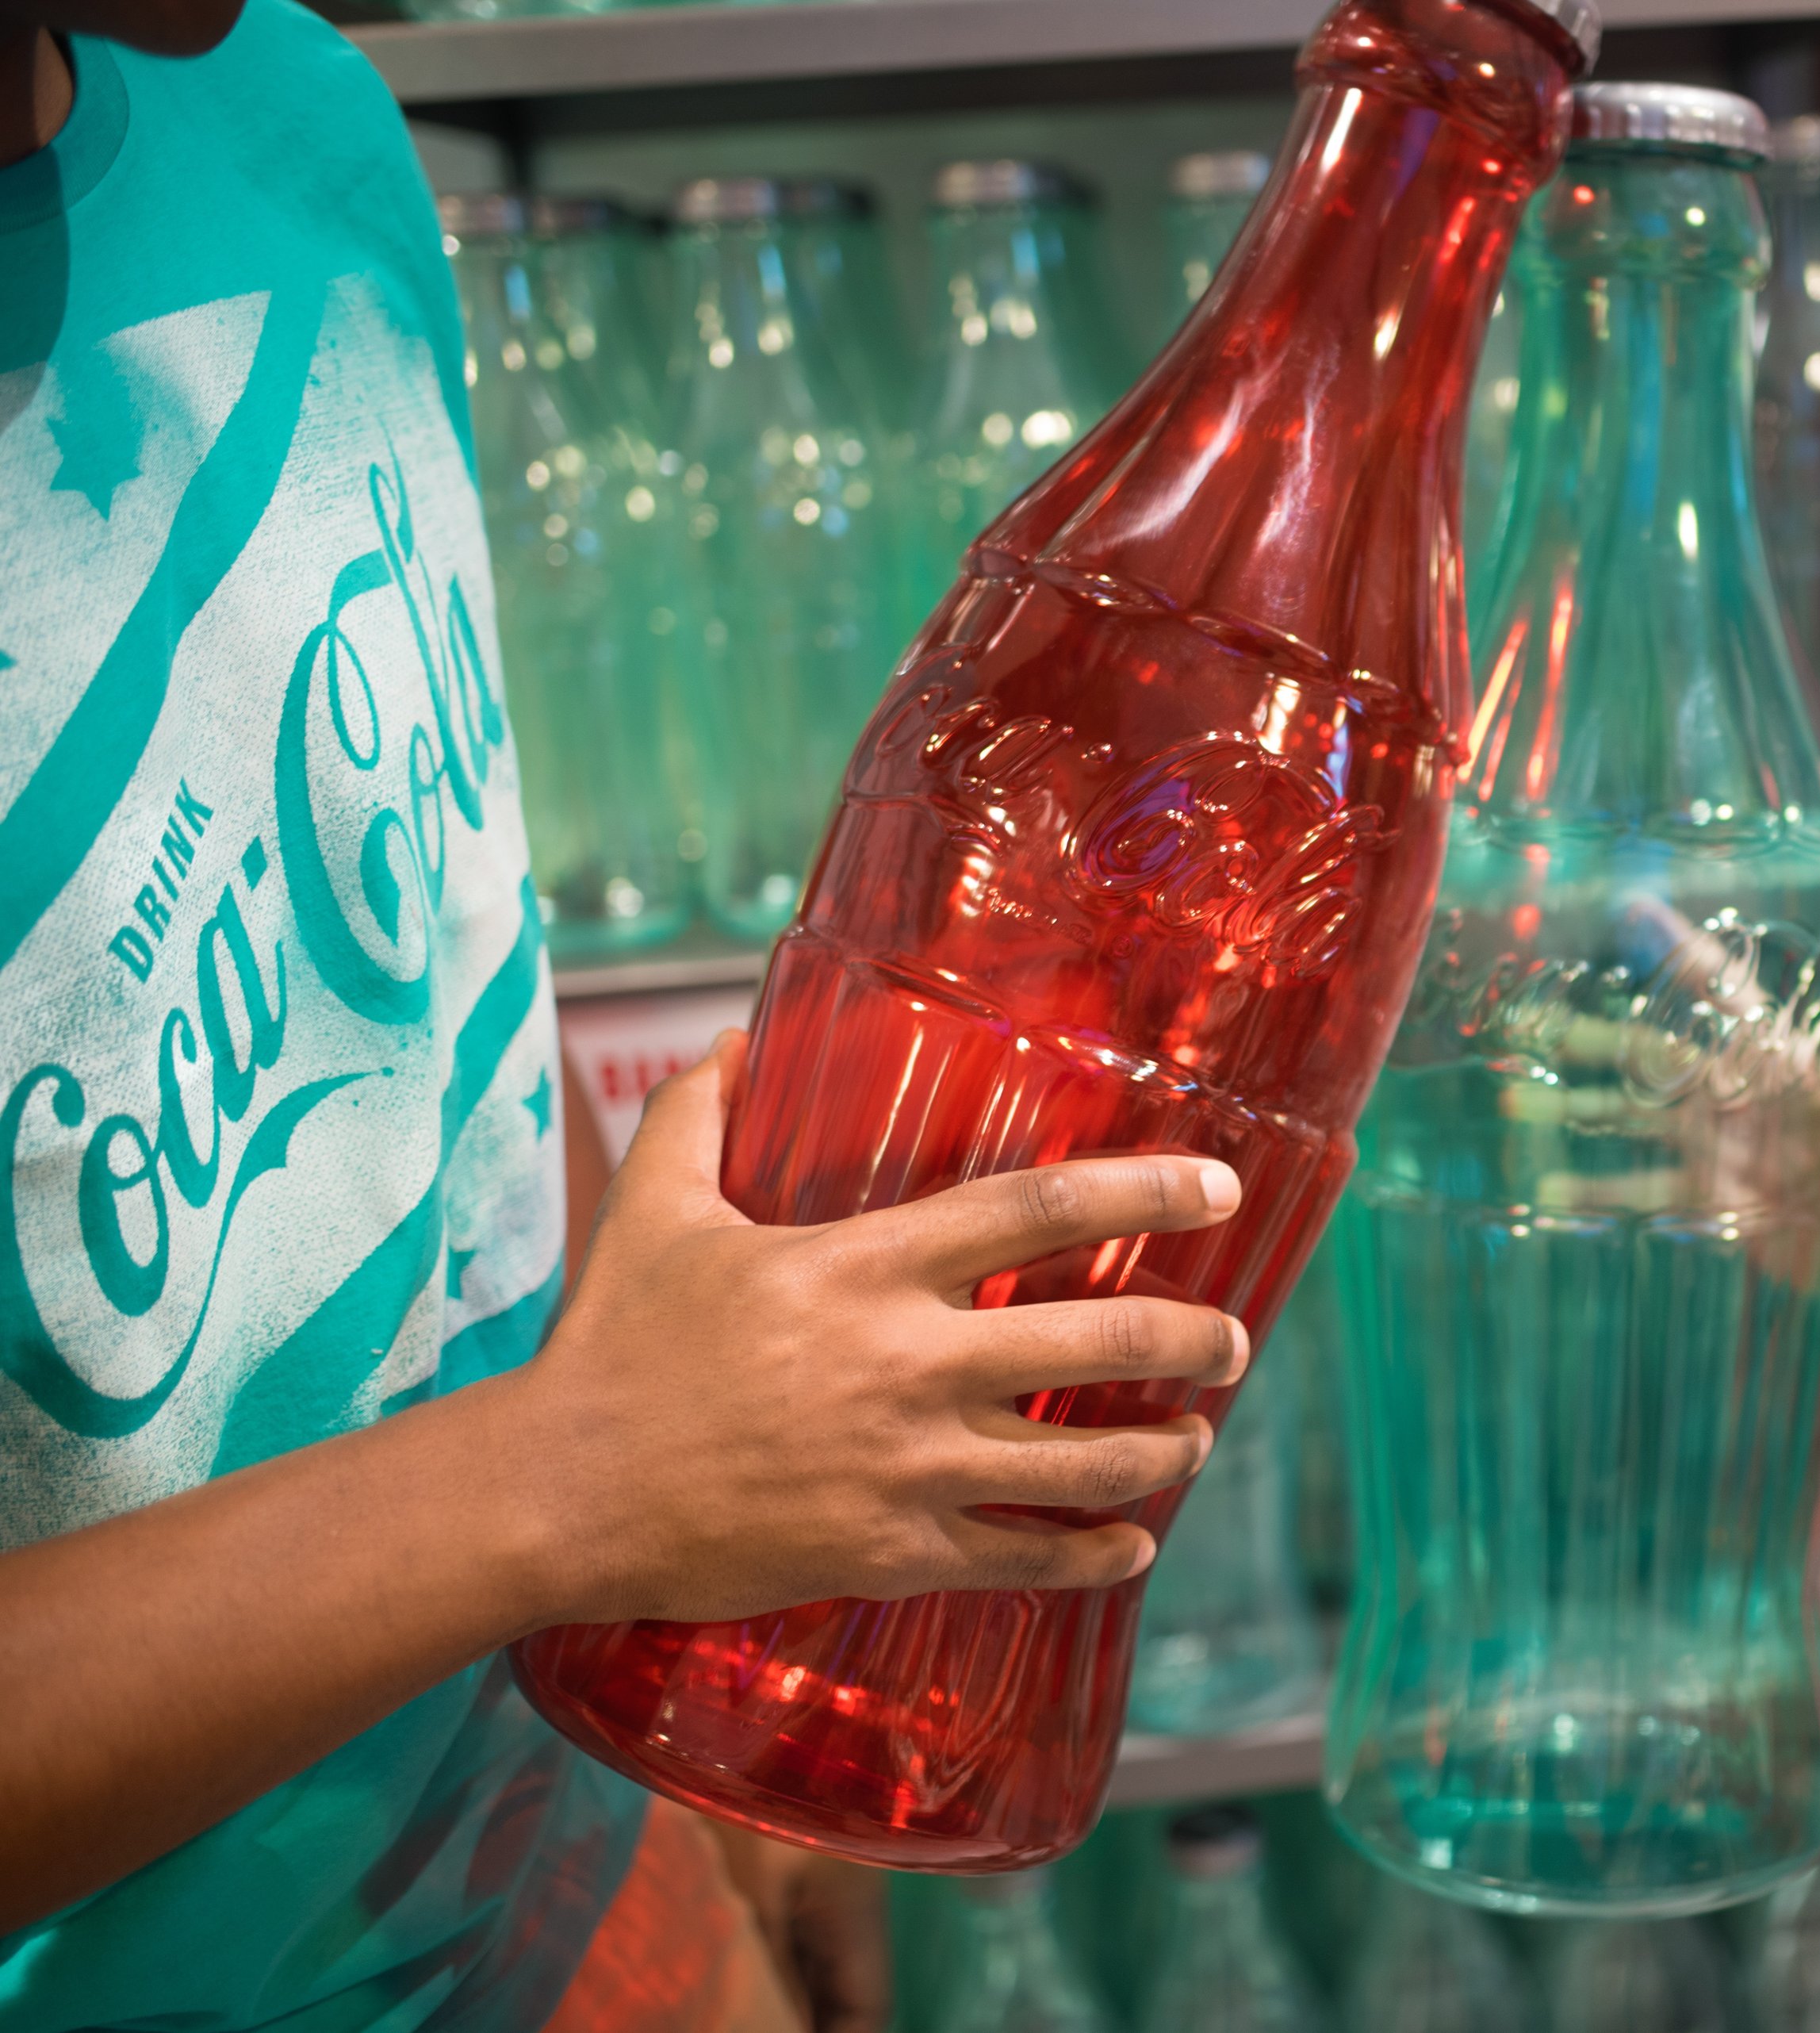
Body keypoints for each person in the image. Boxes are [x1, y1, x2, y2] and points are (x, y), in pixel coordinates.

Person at [0, 0, 1249, 2023]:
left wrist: (695, 1650)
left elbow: (437, 1000)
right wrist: (581, 1487)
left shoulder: (296, 118)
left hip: (563, 1859)